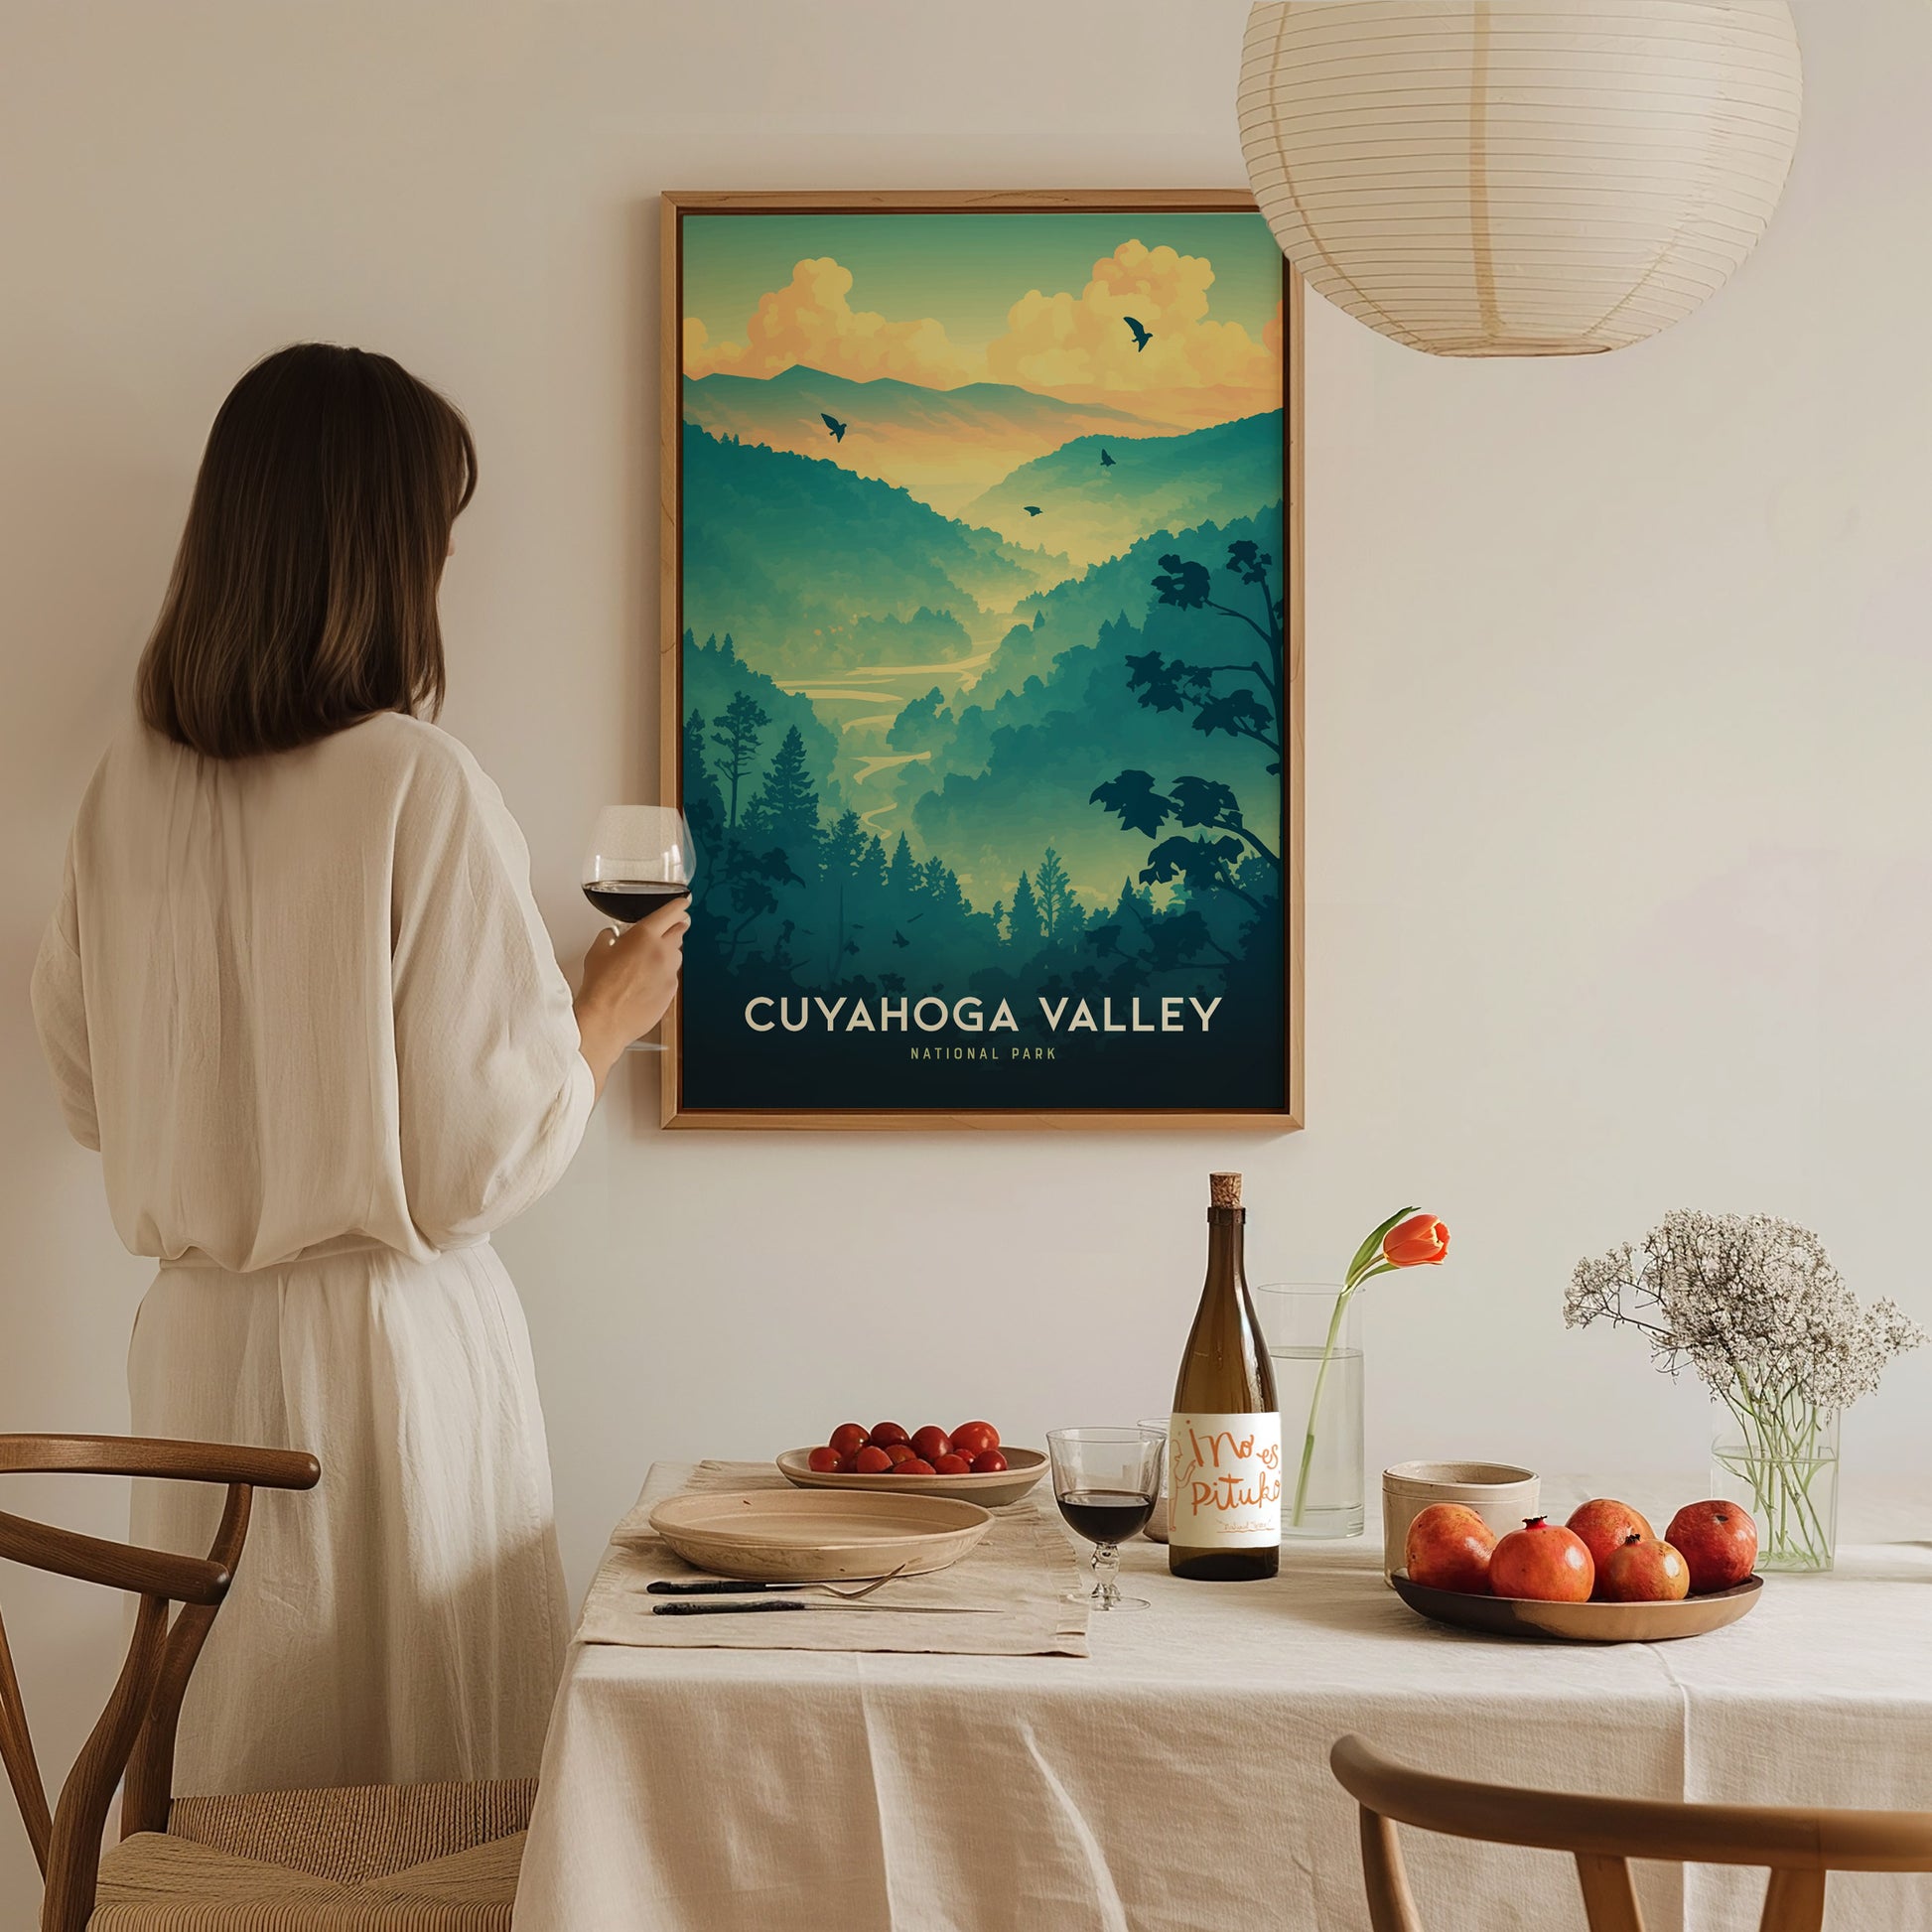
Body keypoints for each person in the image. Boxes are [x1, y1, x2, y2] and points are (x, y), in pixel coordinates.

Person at [29, 343, 684, 1793]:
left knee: (239, 1778)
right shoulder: (414, 780)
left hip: (197, 1352)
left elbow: (87, 1093)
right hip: (387, 1363)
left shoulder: (122, 792)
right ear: (384, 552)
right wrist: (601, 1013)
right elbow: (470, 1165)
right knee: (419, 1798)